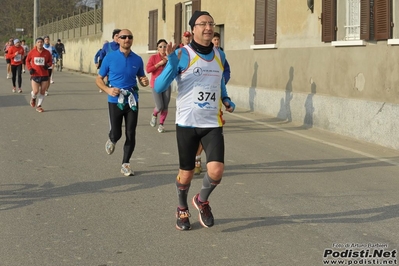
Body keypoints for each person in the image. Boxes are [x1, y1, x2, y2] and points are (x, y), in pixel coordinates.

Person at [154, 11, 235, 231]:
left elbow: (219, 81)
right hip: (187, 123)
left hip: (212, 123)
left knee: (216, 170)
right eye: (203, 24)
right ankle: (182, 207)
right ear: (193, 28)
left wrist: (225, 98)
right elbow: (159, 87)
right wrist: (171, 63)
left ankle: (202, 200)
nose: (208, 27)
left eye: (211, 23)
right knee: (187, 173)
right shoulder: (182, 53)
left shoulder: (220, 55)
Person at [95, 29, 149, 177]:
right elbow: (99, 79)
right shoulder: (110, 58)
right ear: (117, 40)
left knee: (131, 133)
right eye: (123, 37)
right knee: (117, 133)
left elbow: (142, 79)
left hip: (132, 100)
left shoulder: (137, 59)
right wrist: (107, 89)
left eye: (130, 37)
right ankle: (112, 138)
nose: (127, 39)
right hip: (115, 100)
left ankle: (125, 163)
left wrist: (144, 82)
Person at [194, 31, 231, 175]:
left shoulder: (220, 55)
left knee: (208, 128)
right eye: (214, 39)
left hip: (214, 100)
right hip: (196, 103)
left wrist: (220, 84)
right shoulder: (194, 52)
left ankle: (199, 158)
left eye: (217, 39)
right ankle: (194, 156)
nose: (215, 42)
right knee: (196, 131)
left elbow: (225, 72)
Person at [146, 39, 171, 133]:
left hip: (167, 84)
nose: (163, 48)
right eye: (160, 46)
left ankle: (161, 125)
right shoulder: (153, 58)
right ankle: (154, 114)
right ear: (157, 48)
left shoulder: (169, 58)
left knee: (165, 106)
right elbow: (148, 70)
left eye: (165, 46)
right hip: (155, 85)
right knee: (160, 106)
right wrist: (159, 64)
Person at [25, 37, 52, 113]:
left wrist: (47, 65)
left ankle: (39, 106)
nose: (40, 43)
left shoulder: (47, 52)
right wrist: (30, 68)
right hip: (35, 74)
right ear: (36, 43)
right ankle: (33, 98)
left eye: (41, 42)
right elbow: (27, 61)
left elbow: (50, 61)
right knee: (36, 91)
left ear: (43, 43)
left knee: (43, 91)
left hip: (44, 74)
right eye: (38, 42)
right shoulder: (32, 52)